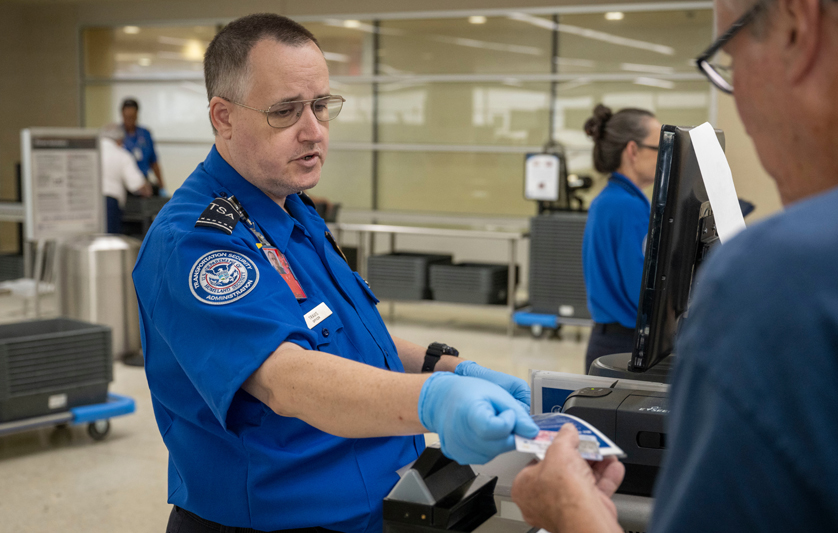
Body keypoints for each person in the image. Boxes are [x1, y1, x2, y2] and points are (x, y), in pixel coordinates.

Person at [132, 14, 539, 533]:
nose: (314, 131)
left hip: (376, 504)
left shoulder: (289, 208)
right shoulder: (198, 241)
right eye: (286, 111)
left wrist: (450, 368)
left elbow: (343, 334)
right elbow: (288, 380)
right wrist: (432, 403)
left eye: (321, 106)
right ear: (224, 117)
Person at [511, 0, 838, 530]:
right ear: (633, 153)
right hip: (617, 337)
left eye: (730, 61)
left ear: (800, 29)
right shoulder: (623, 205)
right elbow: (639, 282)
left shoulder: (785, 276)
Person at [581, 105, 662, 372]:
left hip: (605, 341)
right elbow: (642, 289)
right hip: (625, 345)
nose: (664, 157)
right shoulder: (629, 207)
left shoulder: (607, 199)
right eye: (659, 147)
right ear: (633, 150)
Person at [100, 124, 152, 234]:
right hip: (110, 203)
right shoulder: (122, 155)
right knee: (110, 242)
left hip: (89, 204)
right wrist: (148, 188)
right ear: (119, 140)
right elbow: (138, 185)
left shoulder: (93, 152)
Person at [121, 98, 167, 193]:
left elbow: (154, 161)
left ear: (137, 115)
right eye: (127, 117)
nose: (129, 121)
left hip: (143, 184)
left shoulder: (145, 134)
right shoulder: (117, 136)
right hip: (124, 184)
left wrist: (162, 186)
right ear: (122, 115)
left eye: (132, 117)